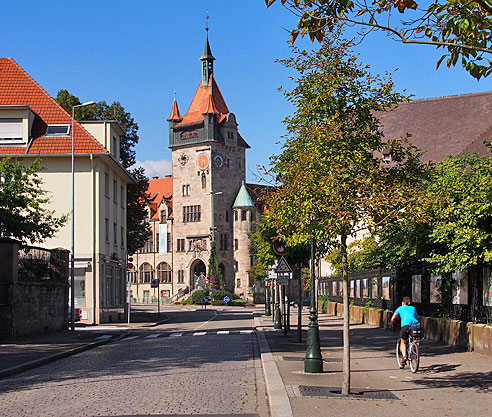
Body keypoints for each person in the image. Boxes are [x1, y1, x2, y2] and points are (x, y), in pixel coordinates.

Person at [390, 296, 419, 367]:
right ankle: (414, 347)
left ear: (403, 303)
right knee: (414, 337)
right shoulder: (413, 308)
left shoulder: (400, 308)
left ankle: (404, 357)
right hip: (415, 325)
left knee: (403, 342)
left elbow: (393, 318)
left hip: (405, 326)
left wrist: (391, 324)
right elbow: (417, 317)